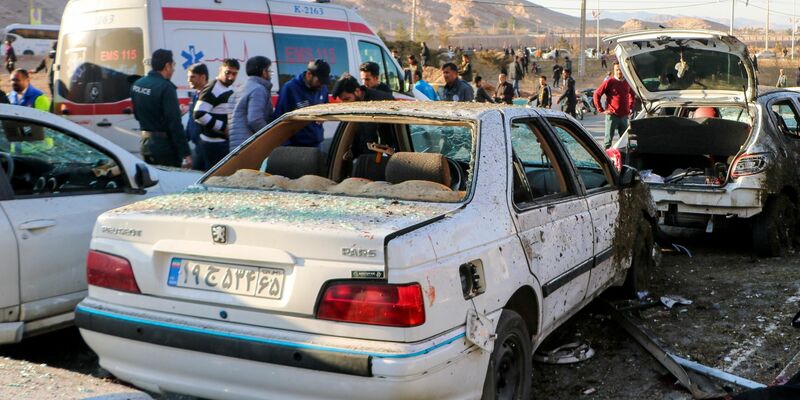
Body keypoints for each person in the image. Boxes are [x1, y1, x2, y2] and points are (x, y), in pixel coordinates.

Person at [130, 49, 191, 168]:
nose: (173, 69)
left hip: (145, 143)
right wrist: (186, 153)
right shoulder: (166, 87)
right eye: (173, 65)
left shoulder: (137, 83)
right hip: (164, 148)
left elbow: (137, 114)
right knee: (170, 183)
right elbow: (175, 124)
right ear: (167, 66)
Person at [273, 59, 331, 147]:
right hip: (296, 146)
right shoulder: (290, 89)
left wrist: (324, 117)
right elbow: (279, 120)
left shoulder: (322, 88)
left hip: (317, 143)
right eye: (319, 81)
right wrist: (286, 147)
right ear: (309, 74)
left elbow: (326, 106)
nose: (322, 85)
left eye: (324, 82)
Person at [193, 58, 239, 168]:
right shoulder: (213, 88)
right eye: (227, 72)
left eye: (234, 74)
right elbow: (199, 114)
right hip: (213, 144)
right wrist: (223, 127)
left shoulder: (227, 87)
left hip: (220, 143)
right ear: (220, 70)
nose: (231, 77)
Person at [229, 56, 273, 151]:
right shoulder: (258, 89)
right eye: (269, 71)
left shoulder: (238, 90)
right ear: (263, 72)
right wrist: (270, 135)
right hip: (250, 146)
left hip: (236, 147)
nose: (270, 74)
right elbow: (255, 120)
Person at [594, 62, 635, 149]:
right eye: (617, 69)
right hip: (612, 116)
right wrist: (601, 110)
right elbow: (597, 94)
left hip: (624, 116)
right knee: (608, 142)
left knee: (624, 142)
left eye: (620, 69)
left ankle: (623, 159)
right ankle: (606, 159)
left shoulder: (627, 82)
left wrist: (630, 107)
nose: (619, 71)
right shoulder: (609, 81)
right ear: (614, 70)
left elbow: (632, 94)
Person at [185, 63, 208, 170]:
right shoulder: (195, 96)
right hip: (197, 145)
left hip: (206, 145)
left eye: (192, 77)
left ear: (203, 77)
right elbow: (192, 121)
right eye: (188, 77)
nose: (189, 80)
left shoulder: (209, 96)